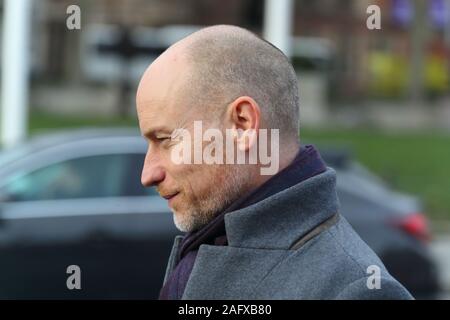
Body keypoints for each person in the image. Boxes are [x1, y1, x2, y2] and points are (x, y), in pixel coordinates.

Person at [135, 25, 413, 300]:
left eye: (165, 139)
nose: (148, 174)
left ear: (242, 124)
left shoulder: (356, 290)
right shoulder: (208, 241)